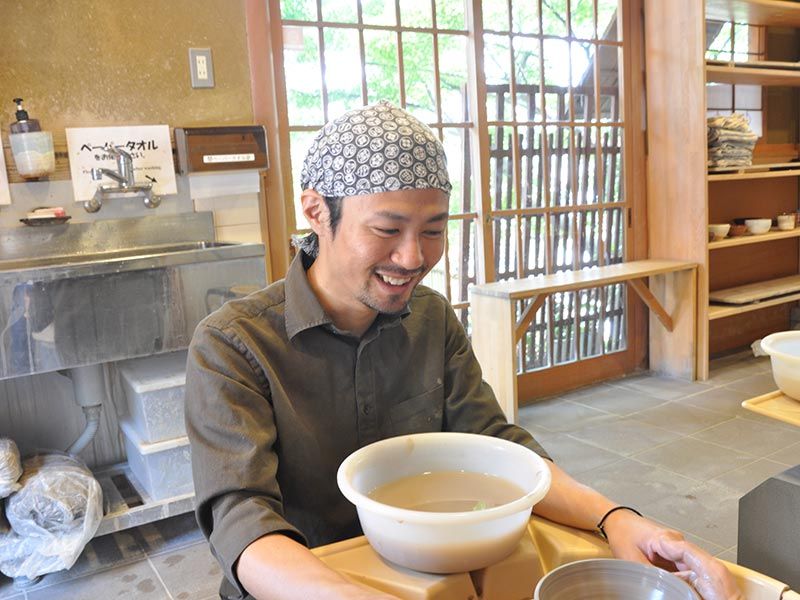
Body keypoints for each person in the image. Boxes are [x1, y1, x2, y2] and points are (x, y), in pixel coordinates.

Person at [185, 101, 742, 600]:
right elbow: (241, 519)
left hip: (434, 574)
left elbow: (497, 444)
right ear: (315, 212)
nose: (411, 257)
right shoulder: (234, 345)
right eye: (386, 228)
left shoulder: (430, 317)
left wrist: (617, 520)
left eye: (433, 230)